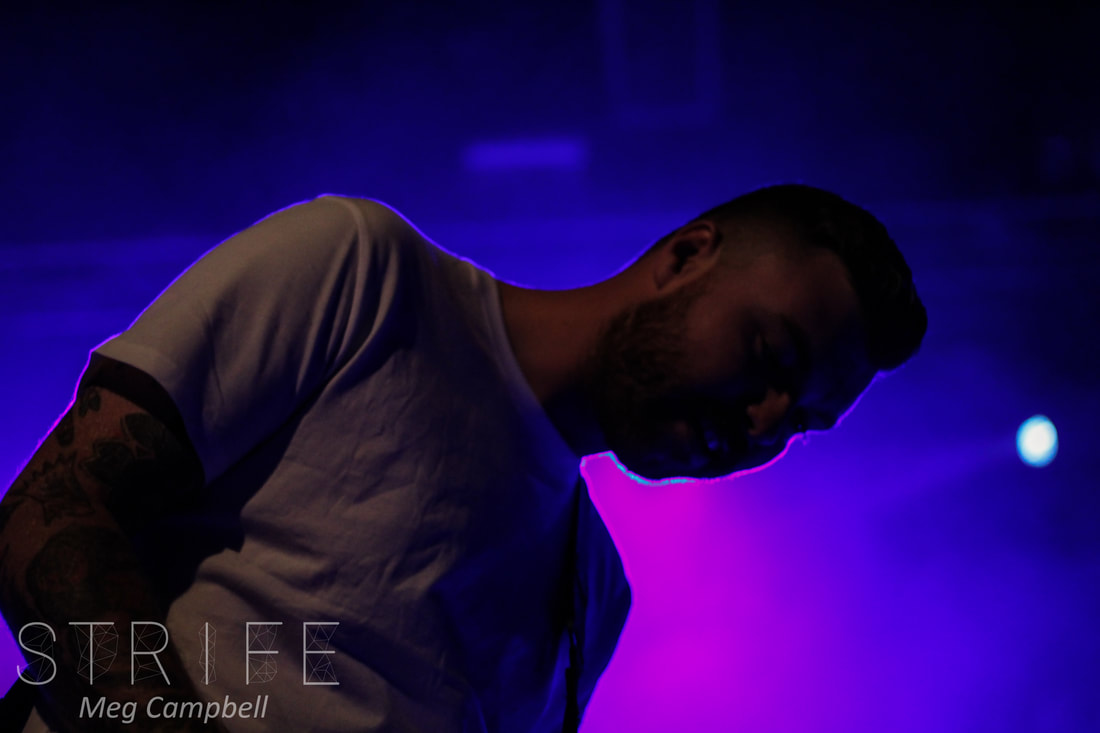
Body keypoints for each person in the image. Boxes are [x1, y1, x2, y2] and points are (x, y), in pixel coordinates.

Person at [0, 183, 926, 732]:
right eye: (770, 357)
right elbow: (50, 514)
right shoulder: (365, 274)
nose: (764, 421)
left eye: (800, 421)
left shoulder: (596, 596)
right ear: (687, 255)